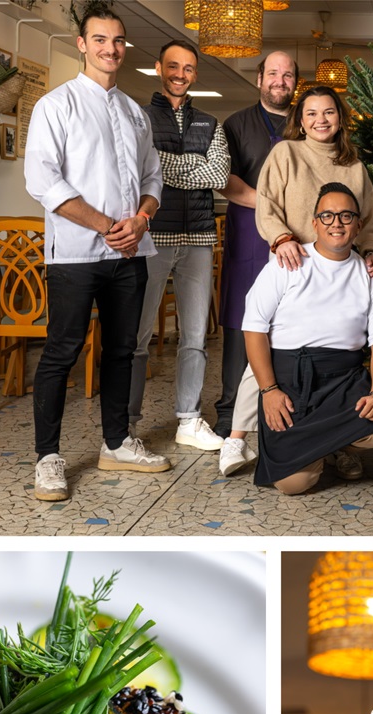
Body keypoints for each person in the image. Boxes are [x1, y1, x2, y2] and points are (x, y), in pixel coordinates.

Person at [24, 4, 167, 502]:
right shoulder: (55, 105)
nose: (111, 48)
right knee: (63, 351)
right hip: (76, 254)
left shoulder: (135, 112)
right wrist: (109, 226)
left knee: (124, 350)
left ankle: (117, 443)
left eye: (119, 40)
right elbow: (43, 180)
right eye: (101, 39)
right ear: (82, 44)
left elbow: (153, 178)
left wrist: (141, 218)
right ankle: (47, 458)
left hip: (131, 253)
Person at [219, 86, 373, 477]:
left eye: (328, 113)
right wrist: (281, 238)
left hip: (340, 263)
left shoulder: (354, 165)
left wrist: (372, 251)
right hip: (294, 259)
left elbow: (371, 215)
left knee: (329, 354)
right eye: (311, 113)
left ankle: (332, 443)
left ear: (340, 118)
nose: (320, 120)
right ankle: (237, 438)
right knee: (273, 348)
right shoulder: (286, 153)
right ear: (300, 120)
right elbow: (268, 203)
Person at [241, 182, 373, 493]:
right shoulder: (286, 265)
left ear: (359, 224)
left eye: (346, 216)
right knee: (294, 484)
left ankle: (333, 447)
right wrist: (269, 390)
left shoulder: (370, 274)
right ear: (314, 223)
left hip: (343, 380)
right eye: (327, 216)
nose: (336, 223)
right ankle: (324, 449)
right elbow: (254, 329)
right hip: (290, 381)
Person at [128, 39, 230, 452]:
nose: (180, 74)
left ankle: (188, 419)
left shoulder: (211, 122)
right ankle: (128, 422)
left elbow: (220, 173)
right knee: (137, 336)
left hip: (201, 239)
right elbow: (142, 170)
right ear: (158, 68)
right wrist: (192, 165)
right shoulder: (139, 118)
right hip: (151, 237)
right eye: (173, 66)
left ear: (195, 74)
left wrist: (168, 167)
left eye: (188, 68)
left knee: (194, 337)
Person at [213, 51, 298, 445]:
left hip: (297, 233)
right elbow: (225, 182)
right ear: (259, 78)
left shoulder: (306, 121)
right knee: (241, 317)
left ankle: (284, 407)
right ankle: (230, 413)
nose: (280, 80)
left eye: (288, 74)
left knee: (292, 317)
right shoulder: (236, 124)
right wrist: (270, 208)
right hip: (249, 230)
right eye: (273, 73)